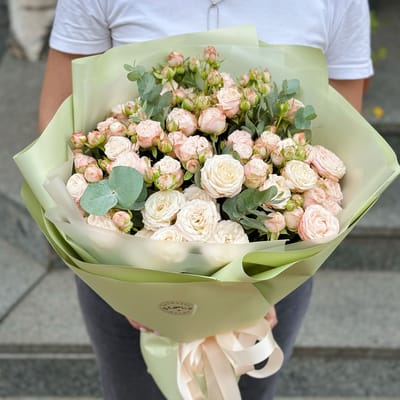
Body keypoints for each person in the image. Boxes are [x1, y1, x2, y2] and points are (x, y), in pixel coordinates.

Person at [38, 1, 373, 399]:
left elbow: (341, 136)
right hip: (117, 275)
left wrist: (261, 290)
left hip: (274, 279)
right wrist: (128, 285)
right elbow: (56, 126)